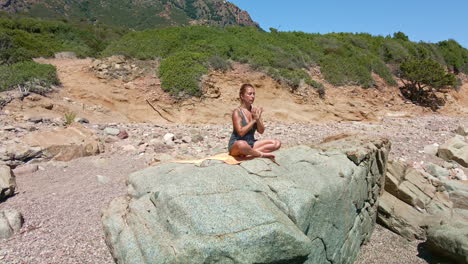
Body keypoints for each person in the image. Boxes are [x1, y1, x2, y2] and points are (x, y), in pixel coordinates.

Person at [228, 83, 281, 160]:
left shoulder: (253, 111)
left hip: (251, 143)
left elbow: (261, 131)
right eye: (249, 94)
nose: (252, 96)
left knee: (276, 143)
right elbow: (241, 132)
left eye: (253, 94)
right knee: (242, 144)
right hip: (237, 145)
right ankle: (260, 154)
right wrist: (254, 120)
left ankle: (249, 153)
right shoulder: (237, 112)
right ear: (242, 96)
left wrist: (258, 118)